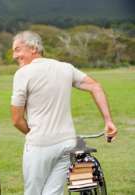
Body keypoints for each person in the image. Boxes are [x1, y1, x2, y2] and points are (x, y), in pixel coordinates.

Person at [10, 31, 117, 195]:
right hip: (67, 143)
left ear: (33, 48)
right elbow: (95, 86)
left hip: (40, 144)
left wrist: (36, 135)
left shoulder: (23, 74)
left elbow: (17, 120)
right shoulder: (65, 68)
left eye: (18, 49)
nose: (14, 55)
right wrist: (108, 121)